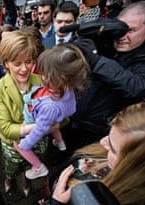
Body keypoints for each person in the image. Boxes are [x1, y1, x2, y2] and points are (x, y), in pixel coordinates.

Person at [65, 1, 145, 147]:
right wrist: (86, 38)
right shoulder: (106, 41)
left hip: (101, 139)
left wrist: (97, 61)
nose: (122, 36)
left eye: (131, 30)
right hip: (70, 123)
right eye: (120, 28)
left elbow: (136, 86)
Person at [43, 102, 145, 205]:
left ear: (135, 167)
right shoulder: (116, 145)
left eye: (112, 148)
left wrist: (56, 202)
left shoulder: (110, 200)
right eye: (109, 133)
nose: (103, 142)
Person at [13, 44, 90, 180]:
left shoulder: (50, 108)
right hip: (55, 117)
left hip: (35, 119)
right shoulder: (66, 89)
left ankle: (38, 168)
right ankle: (60, 143)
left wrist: (26, 143)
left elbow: (40, 129)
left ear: (63, 79)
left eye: (47, 76)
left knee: (17, 145)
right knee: (54, 125)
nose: (42, 77)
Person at [0, 30, 49, 196]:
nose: (24, 69)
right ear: (6, 63)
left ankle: (27, 182)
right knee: (12, 168)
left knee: (32, 166)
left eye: (29, 61)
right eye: (17, 63)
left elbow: (61, 118)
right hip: (13, 146)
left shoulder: (42, 82)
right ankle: (9, 180)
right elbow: (7, 129)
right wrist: (40, 125)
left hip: (38, 143)